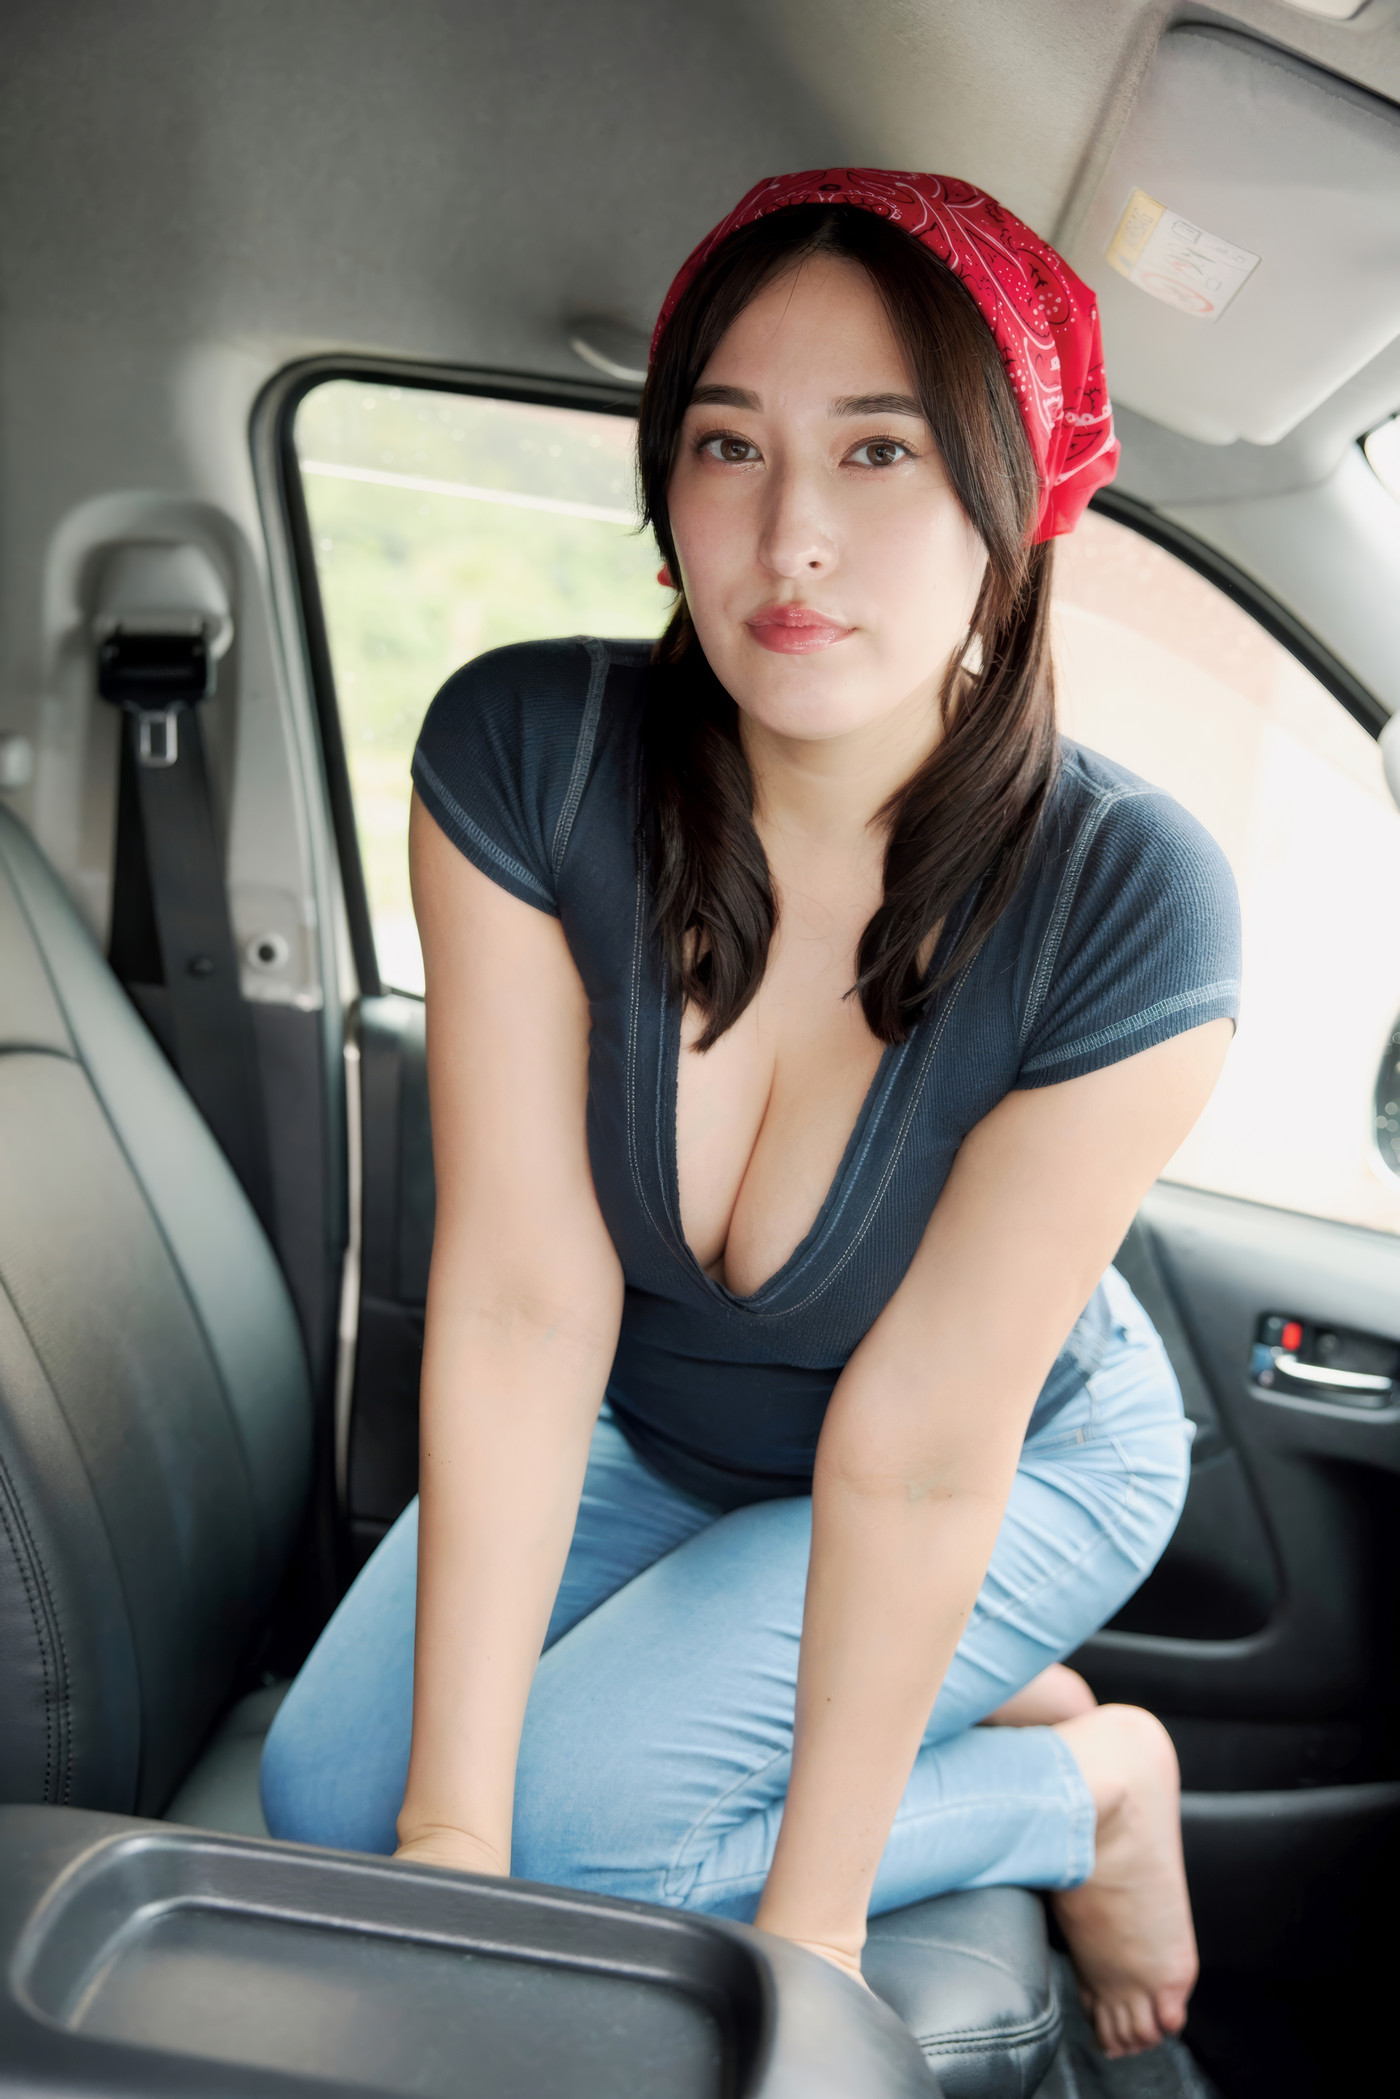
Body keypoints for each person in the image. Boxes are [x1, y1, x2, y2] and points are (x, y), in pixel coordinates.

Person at [262, 170, 1240, 2061]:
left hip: (1006, 1459)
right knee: (333, 1804)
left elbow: (921, 1456)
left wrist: (811, 1935)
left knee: (597, 1839)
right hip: (662, 1426)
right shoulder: (527, 765)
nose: (792, 537)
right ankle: (967, 1692)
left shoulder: (1131, 902)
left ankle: (1094, 1785)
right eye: (730, 445)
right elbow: (526, 1302)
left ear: (1015, 502)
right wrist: (447, 1845)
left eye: (880, 451)